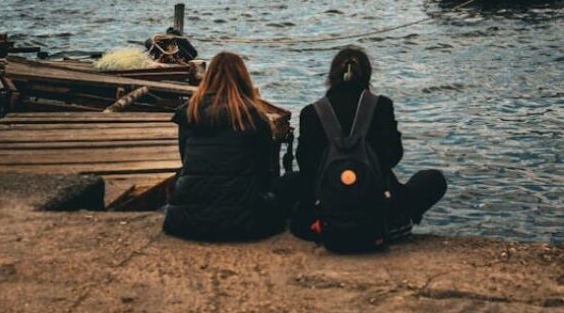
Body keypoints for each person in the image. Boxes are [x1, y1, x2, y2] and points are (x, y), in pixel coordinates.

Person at [292, 45, 447, 242]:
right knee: (433, 179)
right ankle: (396, 221)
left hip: (326, 209)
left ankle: (319, 223)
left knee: (290, 180)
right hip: (376, 204)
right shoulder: (381, 105)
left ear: (331, 77)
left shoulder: (311, 112)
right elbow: (393, 156)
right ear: (367, 76)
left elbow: (307, 165)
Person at [163, 51, 287, 241]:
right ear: (244, 79)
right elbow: (264, 173)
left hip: (185, 221)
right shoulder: (255, 118)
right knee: (288, 186)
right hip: (243, 222)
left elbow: (186, 161)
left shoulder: (189, 113)